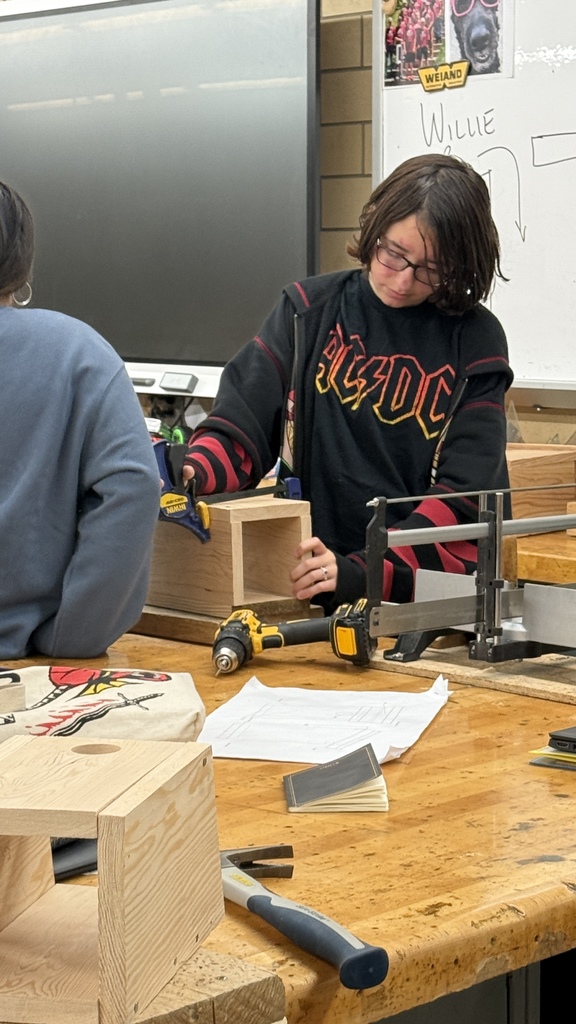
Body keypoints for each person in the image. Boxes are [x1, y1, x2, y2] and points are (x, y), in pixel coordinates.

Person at [183, 153, 513, 614]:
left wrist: (363, 568)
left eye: (431, 270)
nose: (402, 280)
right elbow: (242, 427)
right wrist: (191, 473)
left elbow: (464, 502)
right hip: (309, 586)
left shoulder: (475, 343)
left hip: (415, 610)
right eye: (393, 254)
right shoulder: (306, 312)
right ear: (374, 227)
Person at [0, 181, 160, 659]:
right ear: (21, 261)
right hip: (34, 675)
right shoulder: (78, 353)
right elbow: (133, 485)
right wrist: (74, 634)